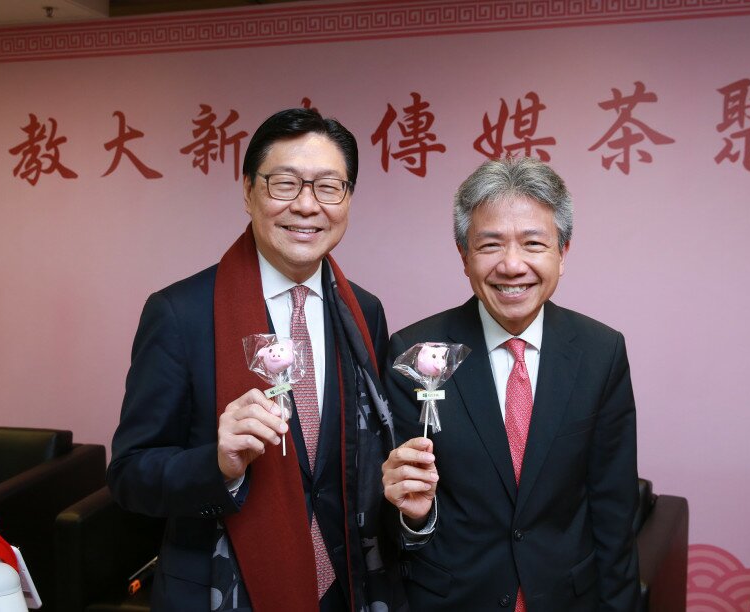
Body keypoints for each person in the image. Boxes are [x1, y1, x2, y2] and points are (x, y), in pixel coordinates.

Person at [108, 108, 406, 612]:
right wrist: (218, 464)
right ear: (248, 191)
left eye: (329, 187)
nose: (307, 206)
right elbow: (130, 477)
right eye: (285, 183)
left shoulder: (365, 311)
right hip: (221, 589)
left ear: (348, 199)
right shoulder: (180, 314)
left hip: (345, 583)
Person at [382, 157, 639, 611]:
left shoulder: (602, 353)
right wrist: (412, 517)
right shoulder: (417, 352)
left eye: (534, 243)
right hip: (454, 599)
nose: (512, 264)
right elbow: (399, 507)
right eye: (490, 245)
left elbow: (614, 510)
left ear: (563, 253)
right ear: (464, 256)